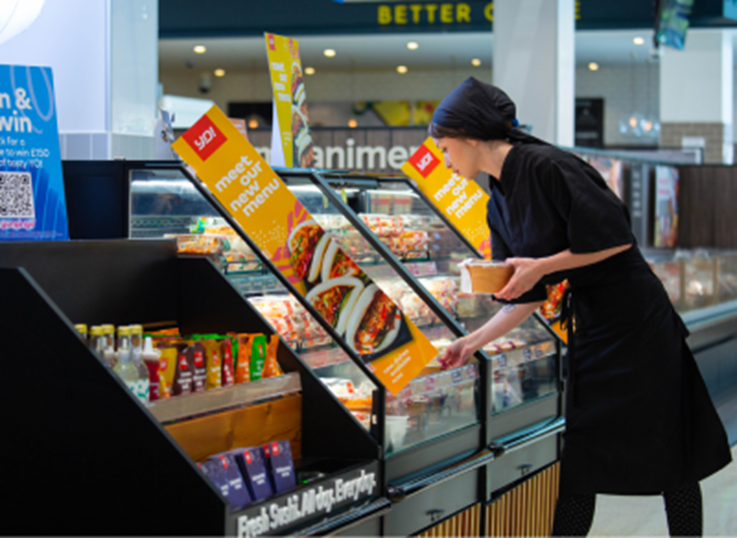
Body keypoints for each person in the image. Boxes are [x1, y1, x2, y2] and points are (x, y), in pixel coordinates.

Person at [434, 77, 731, 537]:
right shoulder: (497, 199)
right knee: (581, 458)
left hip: (639, 322)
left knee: (672, 452)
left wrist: (542, 266)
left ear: (472, 136)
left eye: (446, 146)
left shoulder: (549, 165)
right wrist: (469, 343)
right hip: (593, 326)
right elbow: (527, 293)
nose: (444, 160)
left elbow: (615, 238)